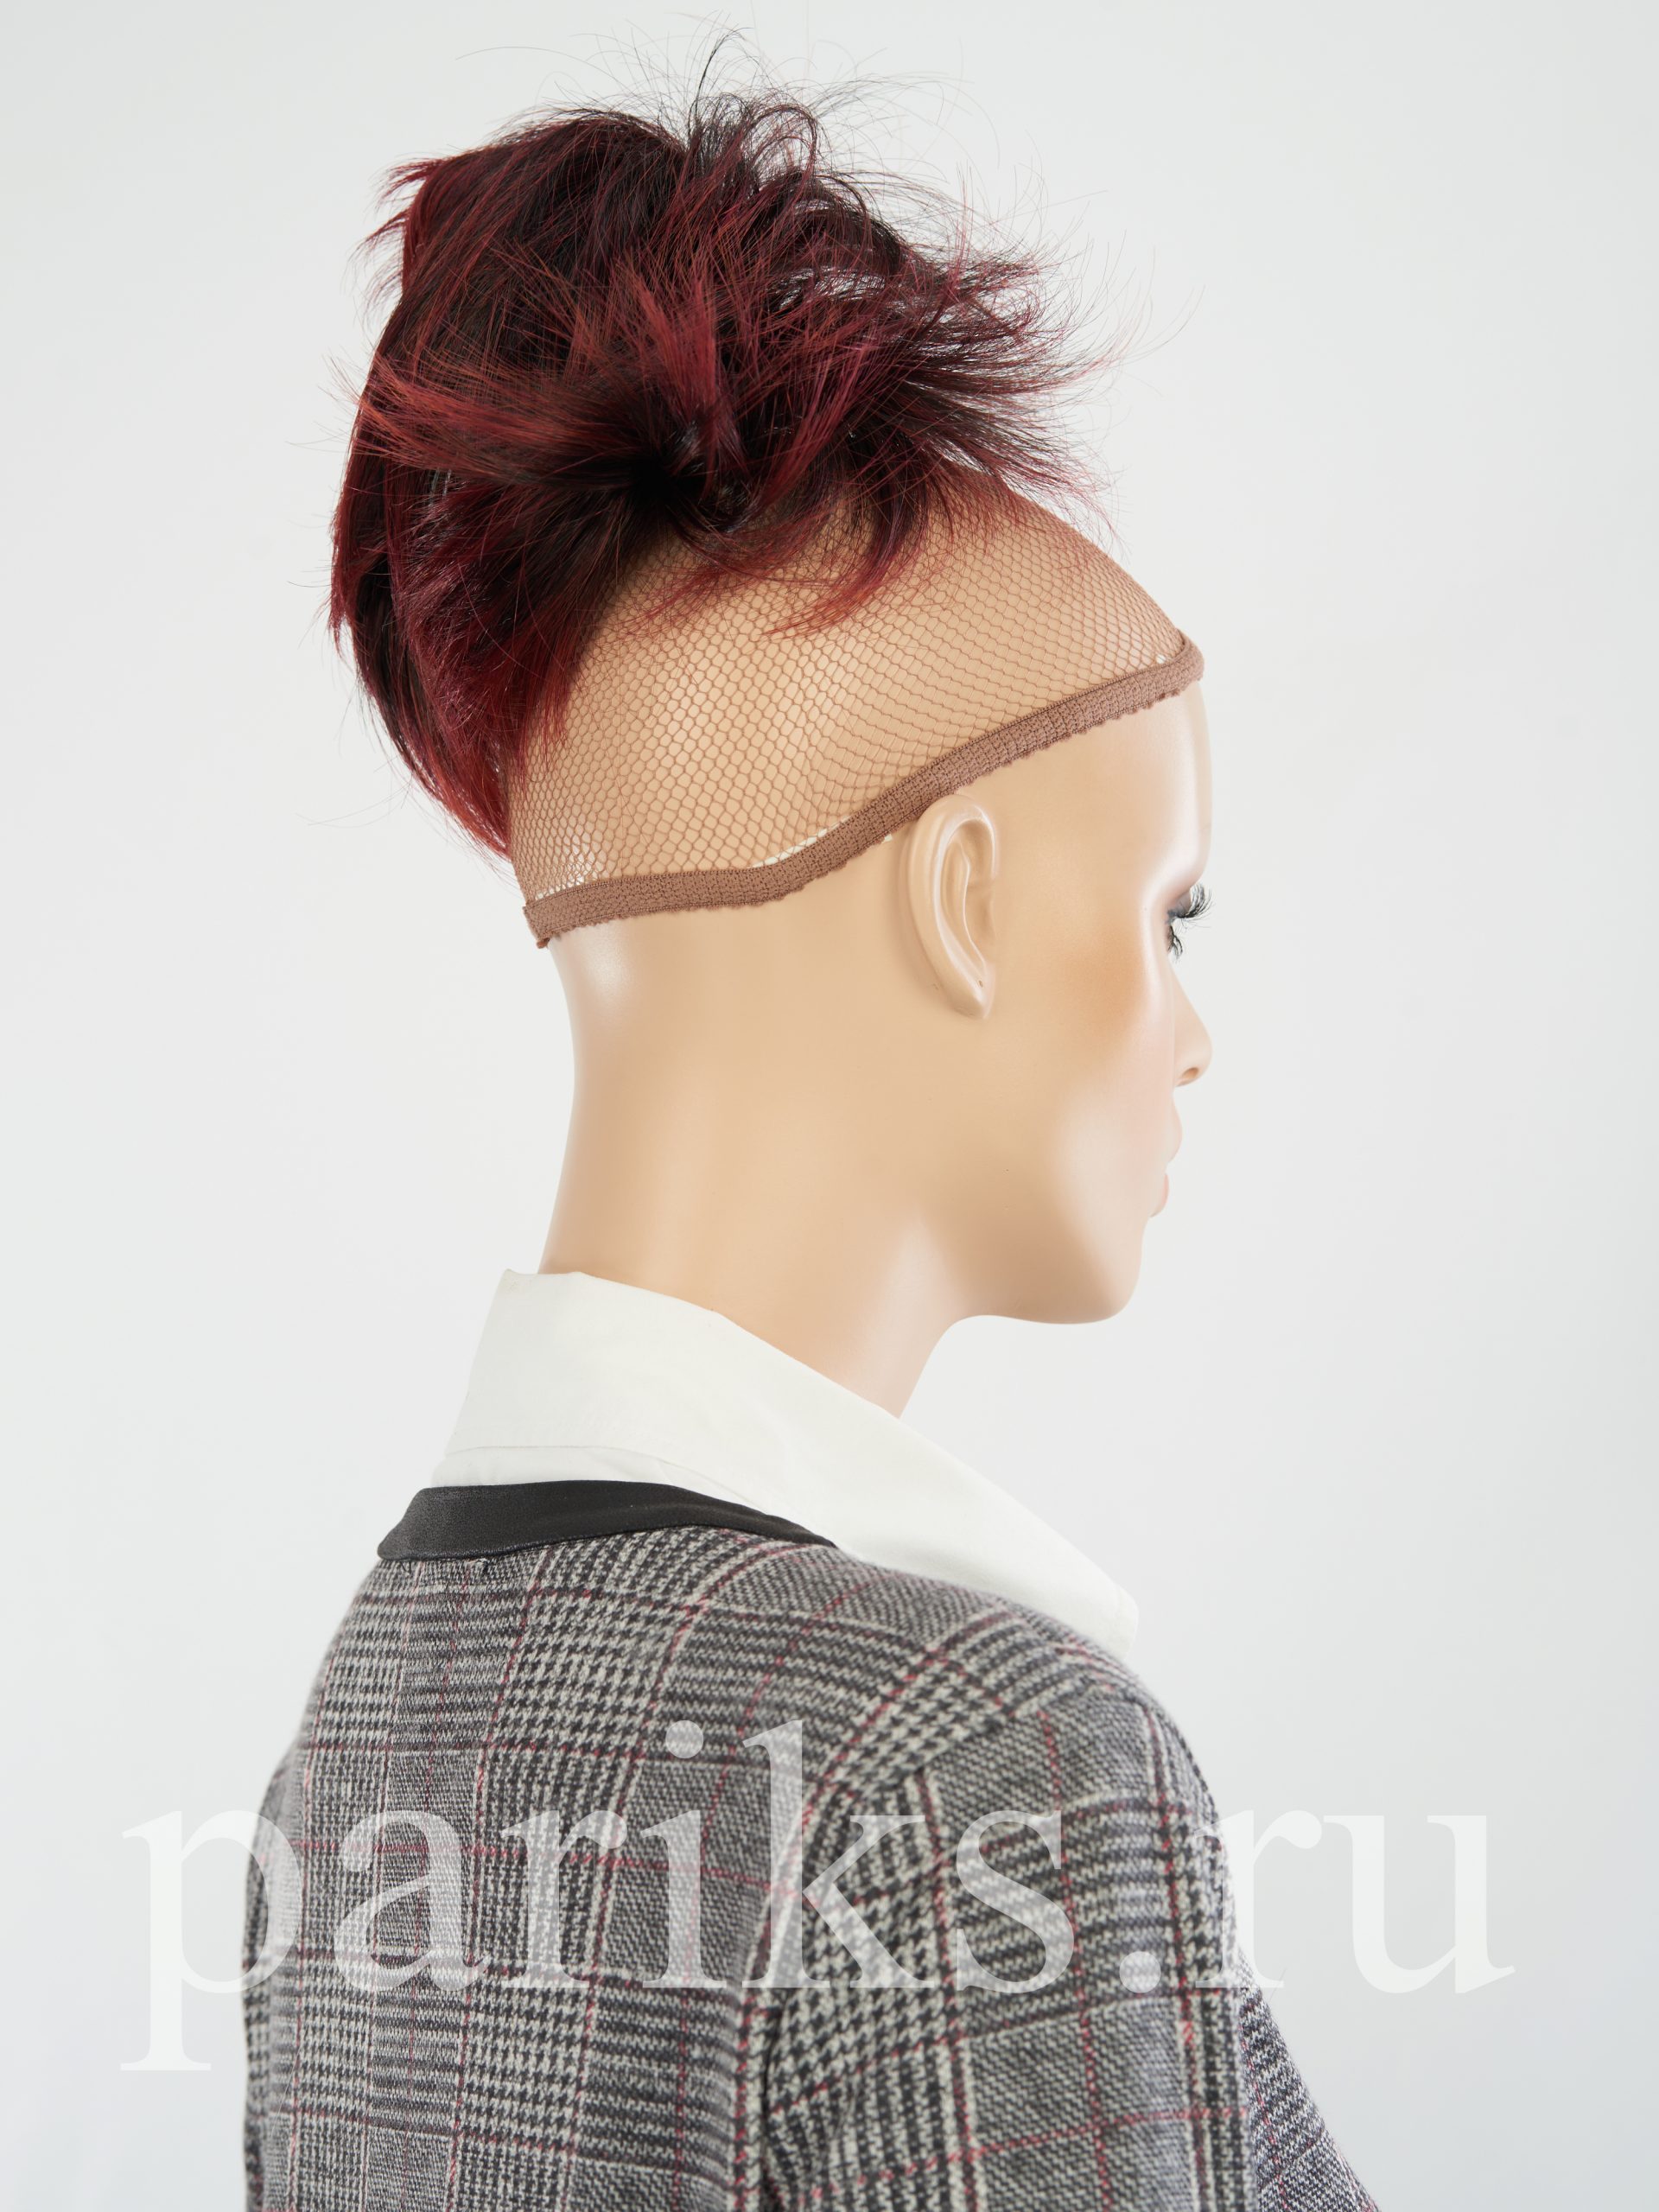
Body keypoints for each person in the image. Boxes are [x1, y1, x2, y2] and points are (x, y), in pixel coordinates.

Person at [242, 79, 1376, 2210]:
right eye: (1169, 916)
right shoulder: (979, 1759)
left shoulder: (370, 1720)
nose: (1194, 1034)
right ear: (963, 896)